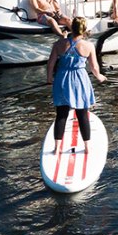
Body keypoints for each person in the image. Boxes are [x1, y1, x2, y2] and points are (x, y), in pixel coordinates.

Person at [46, 17, 107, 154]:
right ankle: (87, 148)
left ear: (71, 28)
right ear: (84, 30)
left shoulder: (59, 44)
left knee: (61, 114)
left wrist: (49, 78)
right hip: (79, 80)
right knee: (82, 114)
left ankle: (57, 149)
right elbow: (94, 68)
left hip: (62, 79)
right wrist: (100, 77)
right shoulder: (89, 46)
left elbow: (50, 64)